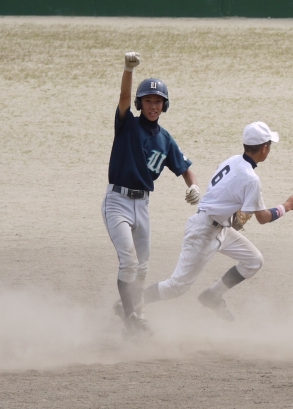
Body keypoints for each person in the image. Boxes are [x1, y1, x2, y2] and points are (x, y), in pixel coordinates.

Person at [141, 121, 293, 321]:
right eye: (269, 145)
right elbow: (263, 218)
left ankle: (213, 295)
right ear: (264, 149)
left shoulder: (234, 160)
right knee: (176, 287)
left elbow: (232, 208)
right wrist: (287, 206)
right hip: (203, 232)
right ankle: (130, 303)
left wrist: (238, 217)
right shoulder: (251, 179)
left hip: (219, 228)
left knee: (254, 260)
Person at [102, 51, 200, 337]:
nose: (153, 105)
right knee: (129, 261)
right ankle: (130, 316)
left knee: (142, 266)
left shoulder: (165, 138)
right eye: (148, 100)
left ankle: (137, 316)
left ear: (164, 105)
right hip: (117, 201)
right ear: (140, 104)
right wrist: (128, 71)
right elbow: (122, 100)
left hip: (142, 205)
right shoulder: (128, 125)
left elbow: (185, 168)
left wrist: (192, 186)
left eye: (158, 101)